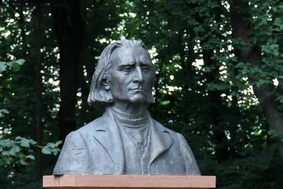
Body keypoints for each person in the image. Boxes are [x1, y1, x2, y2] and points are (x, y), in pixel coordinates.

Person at [53, 39, 200, 175]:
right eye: (127, 69)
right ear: (106, 81)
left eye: (145, 68)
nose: (139, 78)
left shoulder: (177, 143)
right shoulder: (82, 141)